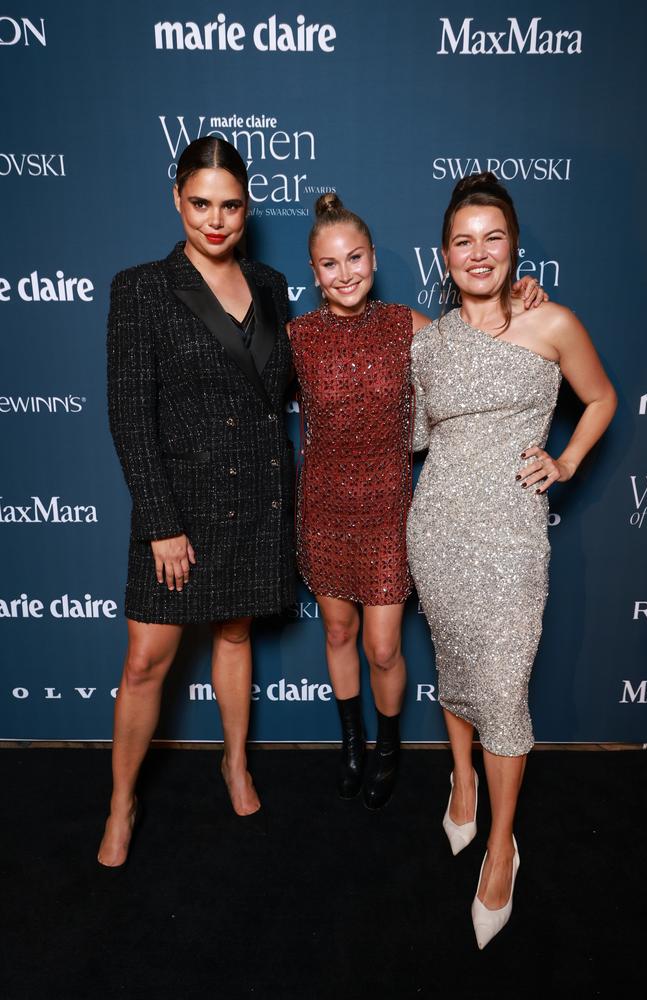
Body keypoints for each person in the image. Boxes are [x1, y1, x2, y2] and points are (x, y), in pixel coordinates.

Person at [407, 172, 617, 947]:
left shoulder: (552, 321)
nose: (479, 253)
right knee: (457, 665)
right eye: (463, 241)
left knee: (503, 685)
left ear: (515, 247)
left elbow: (601, 399)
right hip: (436, 532)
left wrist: (564, 463)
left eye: (493, 238)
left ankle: (502, 847)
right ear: (445, 255)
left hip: (513, 537)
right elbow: (417, 436)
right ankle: (460, 781)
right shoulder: (427, 344)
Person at [289, 193, 546, 810]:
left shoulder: (406, 325)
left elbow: (476, 346)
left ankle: (388, 745)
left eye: (355, 257)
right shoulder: (297, 336)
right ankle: (352, 742)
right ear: (314, 272)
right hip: (323, 505)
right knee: (337, 631)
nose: (345, 272)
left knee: (383, 645)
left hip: (388, 507)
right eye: (330, 264)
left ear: (374, 259)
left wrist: (516, 296)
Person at [98, 137, 295, 868]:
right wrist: (159, 523)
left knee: (235, 636)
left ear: (248, 206)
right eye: (201, 203)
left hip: (256, 500)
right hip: (179, 508)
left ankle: (234, 763)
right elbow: (128, 411)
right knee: (147, 660)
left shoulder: (272, 284)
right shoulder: (141, 287)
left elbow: (298, 378)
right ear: (176, 198)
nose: (217, 220)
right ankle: (122, 800)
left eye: (231, 205)